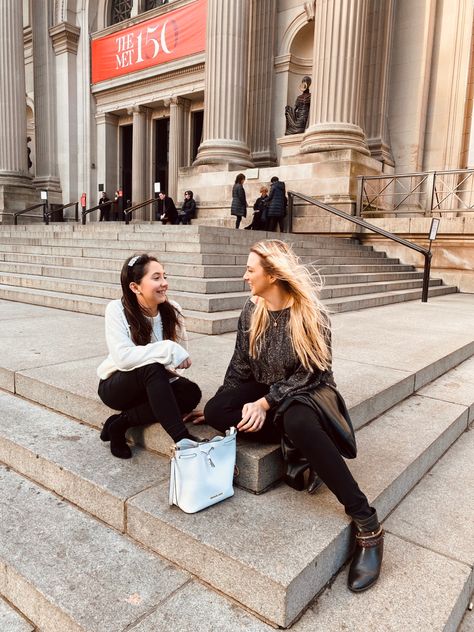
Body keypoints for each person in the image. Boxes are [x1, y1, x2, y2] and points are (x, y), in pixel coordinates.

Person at [203, 240, 383, 593]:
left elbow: (312, 373)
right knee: (214, 409)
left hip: (308, 392)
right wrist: (224, 404)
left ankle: (367, 524)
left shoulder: (310, 312)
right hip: (267, 390)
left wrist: (266, 404)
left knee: (297, 420)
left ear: (272, 274)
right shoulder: (251, 309)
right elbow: (240, 367)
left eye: (251, 270)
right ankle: (299, 444)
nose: (244, 277)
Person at [97, 254, 202, 459]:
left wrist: (168, 362)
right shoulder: (116, 309)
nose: (164, 283)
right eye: (156, 278)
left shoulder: (172, 310)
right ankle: (182, 439)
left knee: (191, 393)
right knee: (151, 367)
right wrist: (166, 350)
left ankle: (119, 424)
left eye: (164, 276)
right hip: (118, 385)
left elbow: (178, 362)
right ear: (135, 287)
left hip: (155, 383)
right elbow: (123, 358)